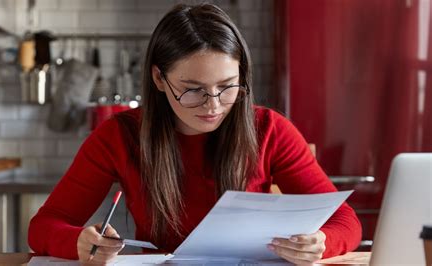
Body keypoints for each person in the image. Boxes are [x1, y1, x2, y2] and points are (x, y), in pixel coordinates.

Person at [28, 3, 362, 265]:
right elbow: (44, 227)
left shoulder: (270, 129)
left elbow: (346, 222)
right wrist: (79, 242)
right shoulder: (118, 136)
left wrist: (320, 242)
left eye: (228, 87)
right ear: (159, 78)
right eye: (193, 89)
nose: (213, 105)